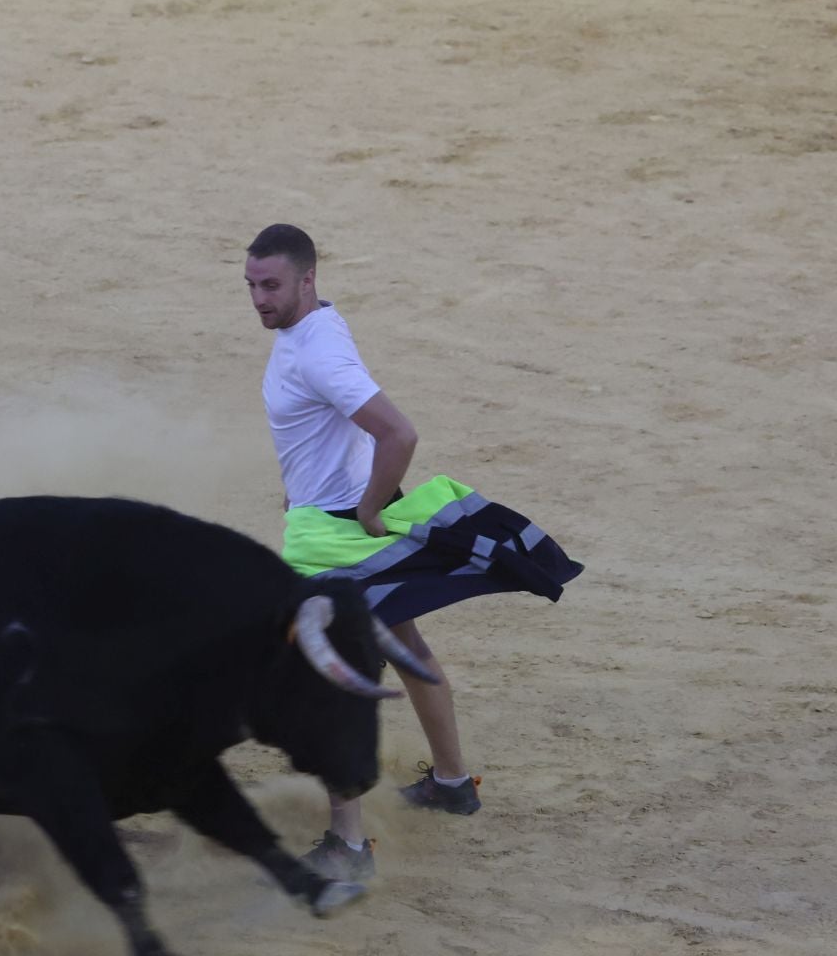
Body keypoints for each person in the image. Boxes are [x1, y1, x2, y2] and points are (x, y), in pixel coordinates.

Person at [243, 223, 585, 881]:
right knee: (404, 645)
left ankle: (347, 843)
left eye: (272, 286)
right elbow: (338, 430)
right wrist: (315, 488)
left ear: (307, 280)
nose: (259, 298)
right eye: (252, 286)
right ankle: (452, 782)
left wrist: (367, 508)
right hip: (331, 516)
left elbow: (399, 433)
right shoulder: (317, 325)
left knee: (322, 678)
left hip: (335, 541)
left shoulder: (317, 355)